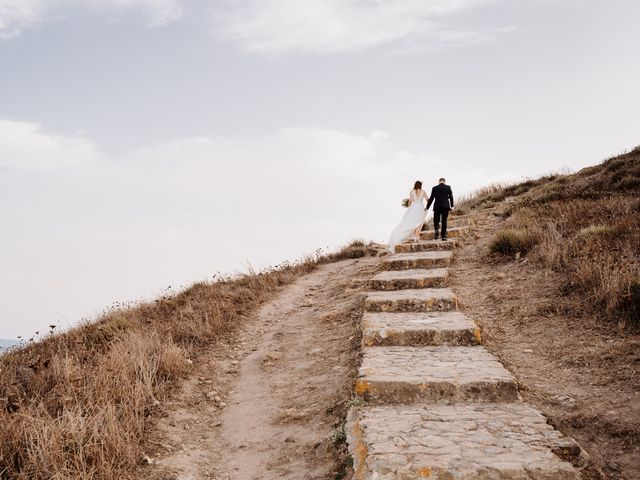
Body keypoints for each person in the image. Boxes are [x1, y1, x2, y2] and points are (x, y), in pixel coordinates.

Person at [388, 181, 428, 252]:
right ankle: (416, 237)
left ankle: (414, 237)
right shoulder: (423, 192)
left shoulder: (412, 192)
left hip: (414, 208)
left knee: (411, 222)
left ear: (415, 185)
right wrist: (426, 207)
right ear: (420, 185)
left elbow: (410, 201)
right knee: (420, 222)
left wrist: (408, 206)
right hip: (420, 208)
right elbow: (428, 200)